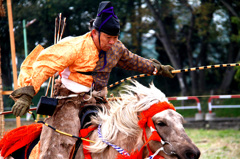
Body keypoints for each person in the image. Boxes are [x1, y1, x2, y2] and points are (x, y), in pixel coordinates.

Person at [10, 1, 175, 158]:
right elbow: (45, 65)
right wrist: (26, 94)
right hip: (69, 101)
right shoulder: (75, 46)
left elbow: (132, 60)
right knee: (59, 142)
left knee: (122, 136)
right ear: (94, 32)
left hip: (99, 101)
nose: (112, 42)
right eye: (108, 37)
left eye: (115, 37)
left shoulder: (116, 47)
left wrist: (157, 68)